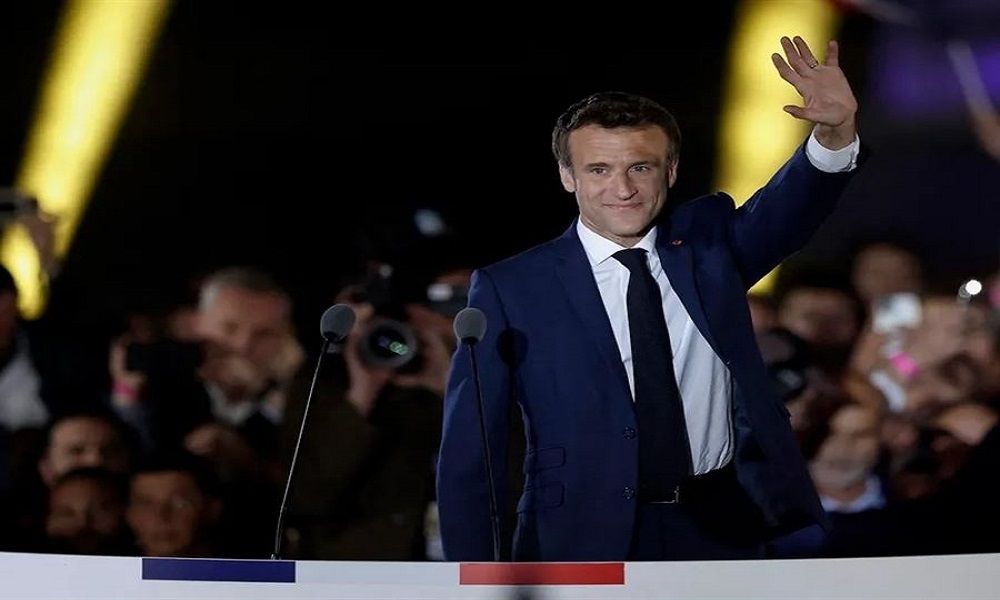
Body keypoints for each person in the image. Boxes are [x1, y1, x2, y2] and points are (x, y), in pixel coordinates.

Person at [437, 36, 862, 561]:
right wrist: (471, 572)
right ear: (568, 176)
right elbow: (472, 445)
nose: (623, 189)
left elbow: (788, 209)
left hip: (720, 526)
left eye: (640, 167)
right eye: (599, 170)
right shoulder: (512, 286)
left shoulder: (709, 247)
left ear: (670, 170)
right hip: (577, 536)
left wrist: (834, 132)